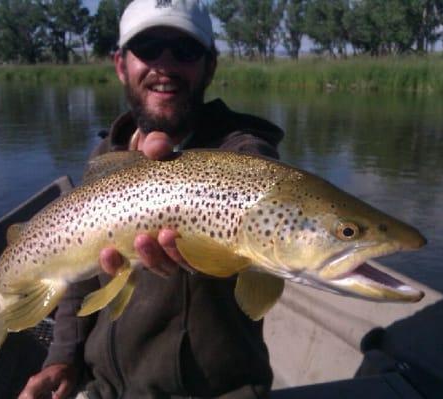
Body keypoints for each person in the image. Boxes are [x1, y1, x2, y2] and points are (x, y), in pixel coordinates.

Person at [19, 1, 284, 398]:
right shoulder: (106, 160)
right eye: (149, 48)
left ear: (210, 66)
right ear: (121, 65)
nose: (165, 64)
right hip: (103, 388)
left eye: (184, 50)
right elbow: (79, 276)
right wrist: (62, 360)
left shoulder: (241, 154)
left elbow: (261, 178)